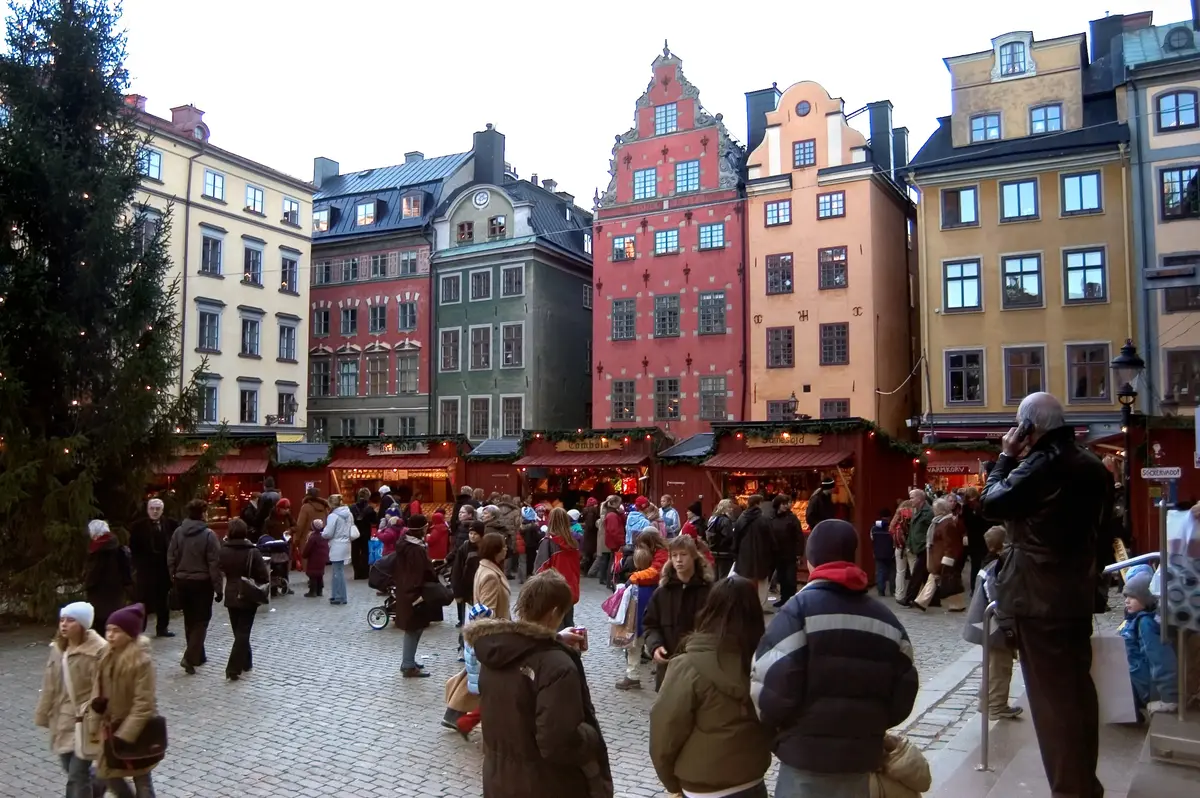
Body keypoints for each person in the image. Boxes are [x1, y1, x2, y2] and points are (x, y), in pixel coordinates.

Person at [980, 391, 1112, 798]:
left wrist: (1005, 456)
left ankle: (1072, 789)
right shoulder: (1093, 465)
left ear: (1026, 428)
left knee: (1052, 701)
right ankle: (1083, 782)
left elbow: (990, 502)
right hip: (1073, 591)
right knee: (1076, 692)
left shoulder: (1041, 465)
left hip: (1037, 595)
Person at [752, 519, 918, 798]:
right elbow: (903, 693)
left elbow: (768, 685)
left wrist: (781, 732)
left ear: (811, 560)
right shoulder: (887, 621)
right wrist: (869, 726)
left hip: (804, 761)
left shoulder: (797, 612)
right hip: (860, 760)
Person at [464, 570, 614, 798]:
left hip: (499, 780)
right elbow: (558, 742)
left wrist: (554, 639)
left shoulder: (496, 651)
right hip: (545, 783)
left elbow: (524, 647)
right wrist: (590, 736)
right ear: (555, 612)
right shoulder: (557, 666)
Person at [650, 577, 771, 798]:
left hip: (703, 785)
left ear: (709, 610)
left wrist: (671, 783)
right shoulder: (764, 663)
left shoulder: (688, 666)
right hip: (751, 778)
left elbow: (665, 730)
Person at [34, 601, 106, 798]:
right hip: (63, 718)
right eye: (62, 620)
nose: (64, 624)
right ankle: (97, 784)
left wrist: (96, 719)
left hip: (86, 719)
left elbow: (101, 689)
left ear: (82, 625)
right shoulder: (58, 648)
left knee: (77, 774)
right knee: (69, 765)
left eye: (70, 620)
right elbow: (50, 684)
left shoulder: (99, 651)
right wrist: (44, 713)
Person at [88, 604, 161, 798]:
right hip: (110, 728)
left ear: (129, 634)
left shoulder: (141, 661)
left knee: (142, 780)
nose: (110, 635)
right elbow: (98, 684)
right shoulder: (104, 655)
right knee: (107, 773)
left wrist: (125, 735)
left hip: (136, 732)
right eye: (108, 630)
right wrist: (96, 705)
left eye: (116, 631)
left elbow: (144, 704)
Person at [963, 525, 1023, 719]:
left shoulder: (989, 561)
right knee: (1000, 666)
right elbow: (995, 595)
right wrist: (1007, 624)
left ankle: (986, 703)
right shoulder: (999, 564)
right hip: (995, 625)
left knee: (992, 664)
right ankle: (996, 706)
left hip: (987, 623)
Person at [642, 535, 714, 690]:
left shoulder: (710, 592)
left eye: (683, 554)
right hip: (669, 667)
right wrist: (655, 646)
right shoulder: (662, 593)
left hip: (701, 669)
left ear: (693, 556)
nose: (679, 560)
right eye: (674, 555)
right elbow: (650, 625)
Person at [167, 499, 223, 675]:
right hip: (202, 582)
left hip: (182, 580)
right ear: (203, 513)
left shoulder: (178, 533)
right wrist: (218, 588)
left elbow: (171, 557)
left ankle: (198, 655)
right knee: (202, 621)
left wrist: (174, 578)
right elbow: (214, 564)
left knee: (189, 619)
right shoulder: (208, 535)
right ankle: (190, 657)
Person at [217, 518, 271, 681]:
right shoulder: (252, 551)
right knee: (243, 631)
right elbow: (263, 574)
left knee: (237, 630)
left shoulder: (223, 550)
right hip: (247, 593)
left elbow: (221, 568)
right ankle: (234, 667)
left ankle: (246, 662)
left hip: (231, 593)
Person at [1121, 568, 1179, 716]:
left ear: (1146, 598)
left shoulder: (1147, 624)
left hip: (1147, 686)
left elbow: (1161, 659)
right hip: (1138, 681)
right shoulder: (1136, 620)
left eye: (1132, 597)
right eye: (1125, 596)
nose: (1126, 601)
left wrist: (1169, 697)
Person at [617, 531, 670, 690]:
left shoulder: (661, 556)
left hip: (651, 601)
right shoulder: (660, 554)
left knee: (639, 640)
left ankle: (634, 676)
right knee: (645, 640)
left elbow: (654, 573)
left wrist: (634, 577)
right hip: (655, 599)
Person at [392, 514, 437, 677]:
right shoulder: (415, 549)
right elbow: (418, 573)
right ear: (422, 528)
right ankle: (408, 665)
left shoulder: (406, 544)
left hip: (406, 589)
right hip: (414, 592)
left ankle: (409, 659)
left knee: (415, 627)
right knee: (413, 627)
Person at [129, 499, 176, 638]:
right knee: (142, 600)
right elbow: (133, 548)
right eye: (152, 508)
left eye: (158, 509)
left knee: (163, 600)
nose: (155, 511)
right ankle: (139, 629)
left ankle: (162, 628)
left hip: (163, 568)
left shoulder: (170, 524)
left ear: (162, 510)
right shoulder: (138, 526)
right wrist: (138, 565)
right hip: (145, 569)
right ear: (147, 509)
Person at [533, 508, 582, 629]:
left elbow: (540, 569)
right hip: (570, 587)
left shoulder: (548, 543)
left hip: (553, 590)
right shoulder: (573, 542)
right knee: (569, 624)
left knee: (555, 628)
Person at [84, 520, 131, 634]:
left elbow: (93, 573)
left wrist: (87, 584)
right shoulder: (116, 545)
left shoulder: (98, 549)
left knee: (100, 623)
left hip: (100, 592)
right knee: (113, 620)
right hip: (116, 590)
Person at [732, 495, 775, 607]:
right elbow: (771, 539)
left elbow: (736, 538)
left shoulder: (741, 518)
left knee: (745, 581)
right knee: (761, 583)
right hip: (761, 556)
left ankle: (745, 604)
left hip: (744, 556)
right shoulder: (764, 519)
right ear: (758, 504)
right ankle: (758, 606)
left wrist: (736, 553)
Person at [925, 497, 966, 611]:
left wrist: (948, 559)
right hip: (939, 555)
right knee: (941, 579)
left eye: (935, 509)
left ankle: (922, 601)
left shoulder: (946, 523)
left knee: (947, 580)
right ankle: (922, 601)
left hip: (942, 556)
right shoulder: (940, 521)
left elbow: (950, 543)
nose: (933, 511)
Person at [322, 494, 358, 606]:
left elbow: (328, 533)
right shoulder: (349, 514)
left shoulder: (333, 516)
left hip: (337, 544)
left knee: (338, 572)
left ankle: (340, 596)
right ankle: (336, 594)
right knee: (338, 571)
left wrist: (322, 533)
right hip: (346, 543)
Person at [899, 491, 933, 608]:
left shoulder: (928, 512)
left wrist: (927, 542)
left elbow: (932, 529)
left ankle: (909, 598)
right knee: (925, 574)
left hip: (925, 547)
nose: (910, 500)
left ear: (919, 499)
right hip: (918, 546)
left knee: (917, 574)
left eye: (912, 498)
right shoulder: (917, 511)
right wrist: (909, 543)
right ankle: (935, 599)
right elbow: (913, 530)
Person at [450, 520, 484, 631]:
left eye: (475, 534)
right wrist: (457, 590)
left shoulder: (485, 547)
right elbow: (457, 569)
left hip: (481, 584)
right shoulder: (464, 548)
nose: (472, 536)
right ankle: (462, 621)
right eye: (471, 533)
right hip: (466, 584)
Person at [770, 495, 804, 608]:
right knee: (782, 577)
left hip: (790, 553)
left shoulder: (792, 518)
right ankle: (783, 598)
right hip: (777, 553)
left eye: (786, 504)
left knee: (790, 579)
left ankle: (791, 600)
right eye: (783, 504)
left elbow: (799, 536)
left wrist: (799, 553)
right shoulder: (772, 518)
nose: (785, 506)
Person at [291, 487, 330, 571]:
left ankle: (311, 577)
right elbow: (327, 522)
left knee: (308, 558)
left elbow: (300, 525)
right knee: (318, 557)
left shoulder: (305, 507)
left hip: (307, 537)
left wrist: (296, 539)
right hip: (321, 537)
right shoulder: (324, 507)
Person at [960, 487, 989, 593]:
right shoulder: (981, 505)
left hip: (973, 539)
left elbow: (965, 523)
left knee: (975, 564)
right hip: (983, 538)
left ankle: (974, 587)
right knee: (983, 563)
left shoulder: (965, 507)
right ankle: (980, 586)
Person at [349, 488, 378, 581]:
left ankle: (357, 573)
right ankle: (365, 573)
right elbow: (374, 521)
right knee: (365, 552)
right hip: (365, 532)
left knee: (355, 552)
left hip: (355, 532)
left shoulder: (352, 507)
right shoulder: (369, 508)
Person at [888, 500, 914, 601]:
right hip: (912, 547)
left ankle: (899, 595)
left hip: (899, 547)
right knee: (914, 572)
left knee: (900, 572)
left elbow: (891, 529)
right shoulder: (914, 513)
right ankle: (914, 595)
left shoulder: (898, 514)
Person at [706, 499, 737, 579]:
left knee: (715, 576)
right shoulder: (725, 521)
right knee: (724, 576)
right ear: (724, 508)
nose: (731, 509)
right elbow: (729, 536)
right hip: (724, 553)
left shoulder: (713, 519)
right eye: (729, 507)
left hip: (714, 551)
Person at [871, 509, 897, 598]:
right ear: (889, 516)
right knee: (892, 572)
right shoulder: (892, 526)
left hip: (878, 553)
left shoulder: (874, 527)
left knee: (880, 571)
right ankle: (893, 591)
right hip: (891, 553)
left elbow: (872, 539)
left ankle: (881, 591)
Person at [600, 495, 626, 589]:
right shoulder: (612, 515)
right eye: (619, 502)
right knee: (614, 562)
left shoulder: (613, 514)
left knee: (613, 562)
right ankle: (611, 581)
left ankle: (610, 581)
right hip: (616, 544)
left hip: (614, 543)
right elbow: (614, 531)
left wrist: (622, 514)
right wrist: (622, 542)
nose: (620, 504)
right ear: (614, 503)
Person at [302, 518, 329, 598]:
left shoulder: (312, 537)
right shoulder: (324, 536)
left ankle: (312, 591)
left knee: (313, 574)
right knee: (320, 574)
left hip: (314, 558)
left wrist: (304, 555)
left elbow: (308, 548)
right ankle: (319, 590)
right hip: (322, 558)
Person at [580, 497, 600, 576]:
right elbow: (591, 524)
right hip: (592, 535)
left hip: (588, 535)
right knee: (590, 553)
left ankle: (585, 570)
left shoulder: (586, 511)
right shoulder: (592, 512)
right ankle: (588, 571)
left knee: (587, 553)